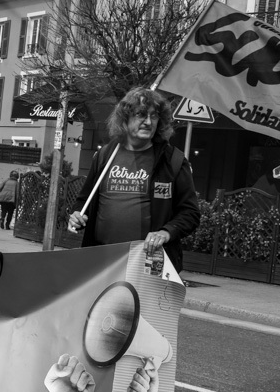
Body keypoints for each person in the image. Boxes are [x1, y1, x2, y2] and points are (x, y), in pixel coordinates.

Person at [66, 86, 200, 273]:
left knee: (143, 304)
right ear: (124, 118)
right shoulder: (105, 155)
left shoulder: (173, 160)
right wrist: (76, 216)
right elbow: (84, 201)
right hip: (103, 262)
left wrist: (166, 232)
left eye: (154, 116)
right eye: (141, 114)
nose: (148, 122)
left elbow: (190, 213)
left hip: (149, 263)